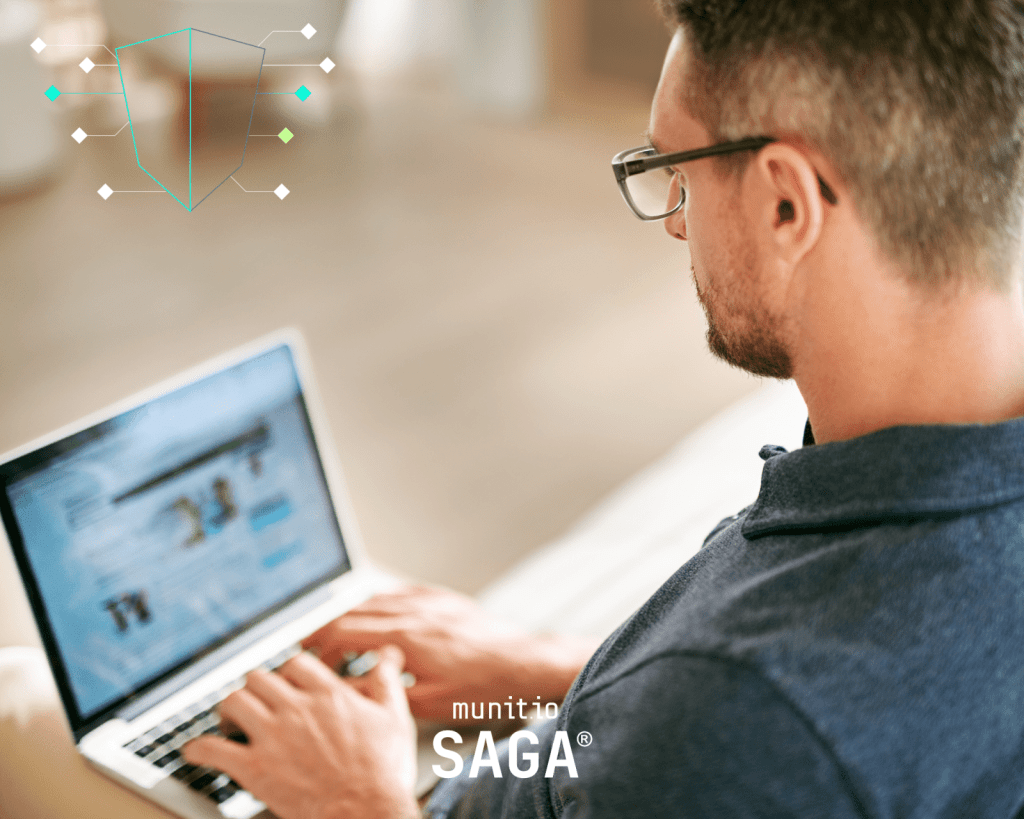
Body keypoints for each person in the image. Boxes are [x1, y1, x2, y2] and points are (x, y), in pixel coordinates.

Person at [185, 1, 1024, 816]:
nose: (674, 224)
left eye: (679, 172)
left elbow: (752, 732)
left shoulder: (747, 716)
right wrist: (551, 673)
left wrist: (352, 799)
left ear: (786, 204)